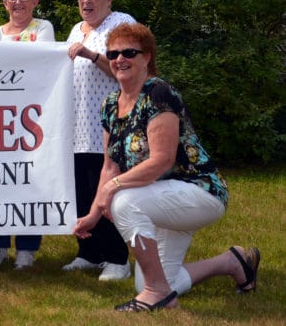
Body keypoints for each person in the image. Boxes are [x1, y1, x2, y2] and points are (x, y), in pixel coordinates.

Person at [73, 23, 260, 311]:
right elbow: (109, 167)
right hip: (160, 199)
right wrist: (93, 215)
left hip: (199, 191)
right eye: (112, 54)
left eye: (129, 52)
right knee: (151, 277)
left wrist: (113, 189)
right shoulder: (110, 104)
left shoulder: (159, 93)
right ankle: (232, 262)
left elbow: (162, 160)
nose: (119, 59)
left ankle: (157, 293)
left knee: (124, 201)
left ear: (146, 57)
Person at [65, 0, 134, 281]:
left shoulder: (121, 25)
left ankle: (118, 259)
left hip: (109, 127)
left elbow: (126, 70)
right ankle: (89, 253)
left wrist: (92, 55)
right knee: (82, 193)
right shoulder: (75, 30)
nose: (86, 1)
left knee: (108, 195)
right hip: (76, 129)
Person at [0, 0, 53, 269]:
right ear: (4, 3)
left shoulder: (44, 28)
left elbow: (40, 62)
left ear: (35, 1)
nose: (18, 2)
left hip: (32, 119)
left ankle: (26, 248)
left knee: (29, 181)